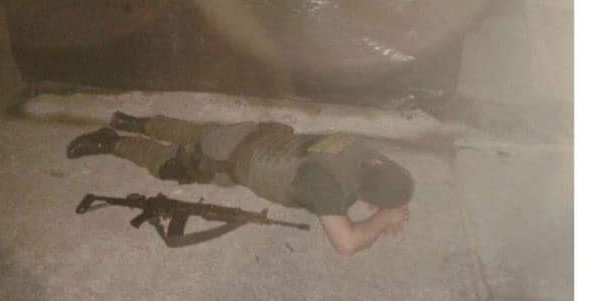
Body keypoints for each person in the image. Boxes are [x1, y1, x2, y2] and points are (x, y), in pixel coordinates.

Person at [67, 112, 414, 256]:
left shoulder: (359, 148)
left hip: (252, 133)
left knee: (196, 133)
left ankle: (137, 122)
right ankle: (112, 141)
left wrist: (377, 198)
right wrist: (382, 217)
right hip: (228, 157)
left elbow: (348, 172)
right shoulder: (325, 185)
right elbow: (347, 244)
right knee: (170, 165)